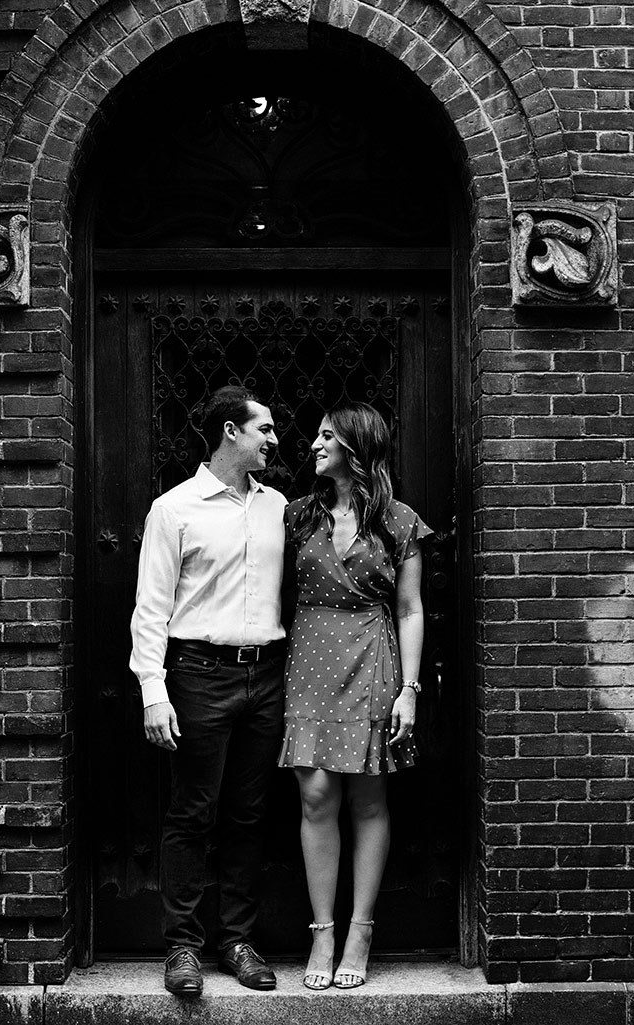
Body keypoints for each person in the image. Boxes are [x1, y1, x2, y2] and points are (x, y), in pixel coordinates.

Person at [129, 384, 287, 998]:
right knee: (193, 812)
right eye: (263, 428)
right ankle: (183, 948)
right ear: (230, 432)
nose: (274, 439)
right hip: (198, 674)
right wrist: (153, 689)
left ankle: (237, 942)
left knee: (249, 813)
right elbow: (151, 607)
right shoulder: (174, 509)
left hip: (266, 676)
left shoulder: (278, 506)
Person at [278, 402, 432, 990]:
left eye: (326, 436)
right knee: (316, 796)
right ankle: (322, 931)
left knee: (368, 799)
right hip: (311, 658)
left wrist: (409, 690)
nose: (314, 444)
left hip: (373, 656)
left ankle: (360, 931)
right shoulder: (298, 515)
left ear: (356, 446)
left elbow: (411, 609)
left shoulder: (399, 521)